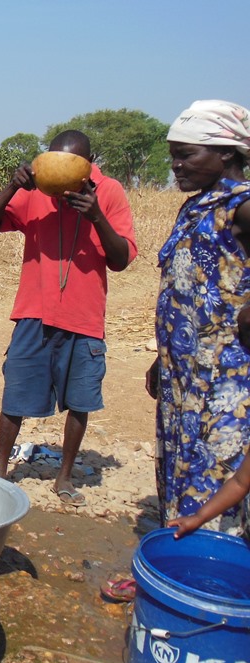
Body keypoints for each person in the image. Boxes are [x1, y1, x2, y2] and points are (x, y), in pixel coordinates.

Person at [0, 130, 137, 507]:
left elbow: (121, 259)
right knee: (16, 393)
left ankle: (63, 476)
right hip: (34, 311)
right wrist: (12, 188)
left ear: (88, 166)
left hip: (84, 316)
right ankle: (1, 472)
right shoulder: (35, 193)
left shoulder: (108, 192)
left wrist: (96, 216)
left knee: (79, 400)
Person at [149, 100, 250, 537]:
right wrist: (162, 357)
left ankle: (212, 576)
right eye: (174, 154)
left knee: (214, 464)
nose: (176, 164)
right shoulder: (197, 207)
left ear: (226, 152)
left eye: (187, 154)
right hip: (183, 367)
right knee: (180, 459)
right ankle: (173, 562)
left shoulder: (242, 206)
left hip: (226, 371)